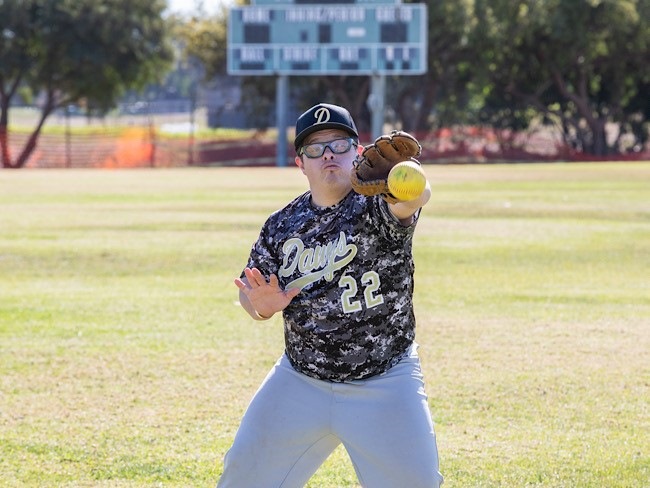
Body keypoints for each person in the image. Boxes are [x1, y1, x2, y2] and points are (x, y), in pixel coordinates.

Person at [217, 102, 443, 487]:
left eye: (338, 145)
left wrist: (412, 179)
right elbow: (250, 291)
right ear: (300, 164)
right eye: (315, 148)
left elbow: (411, 199)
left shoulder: (377, 205)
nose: (328, 156)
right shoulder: (281, 225)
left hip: (385, 381)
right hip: (301, 380)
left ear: (358, 151)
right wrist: (259, 308)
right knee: (242, 478)